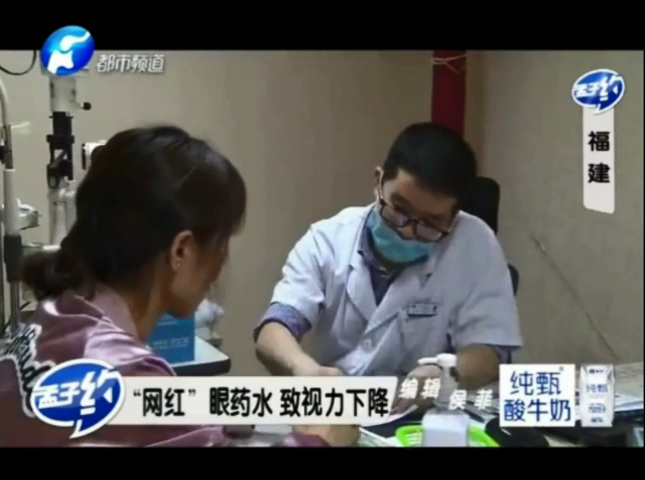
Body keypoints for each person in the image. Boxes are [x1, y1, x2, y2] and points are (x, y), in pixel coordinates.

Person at [0, 125, 358, 447]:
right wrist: (320, 439)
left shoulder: (49, 319)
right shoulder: (122, 372)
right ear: (181, 250)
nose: (222, 262)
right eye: (221, 243)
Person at [255, 122, 522, 411]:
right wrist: (303, 370)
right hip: (339, 407)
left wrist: (442, 375)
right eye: (399, 209)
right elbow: (276, 327)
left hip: (428, 414)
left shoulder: (475, 244)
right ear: (378, 181)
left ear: (453, 218)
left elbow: (491, 351)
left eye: (430, 223)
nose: (407, 231)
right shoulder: (328, 239)